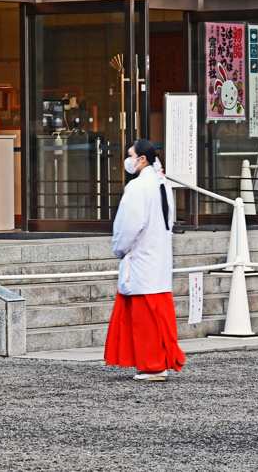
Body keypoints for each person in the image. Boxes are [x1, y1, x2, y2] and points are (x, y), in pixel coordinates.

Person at [103, 139, 186, 381]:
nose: (127, 159)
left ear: (141, 159)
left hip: (141, 258)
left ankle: (152, 366)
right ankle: (156, 363)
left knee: (144, 321)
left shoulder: (138, 186)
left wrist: (120, 248)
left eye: (130, 155)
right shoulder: (162, 183)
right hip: (157, 258)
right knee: (157, 317)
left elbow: (130, 224)